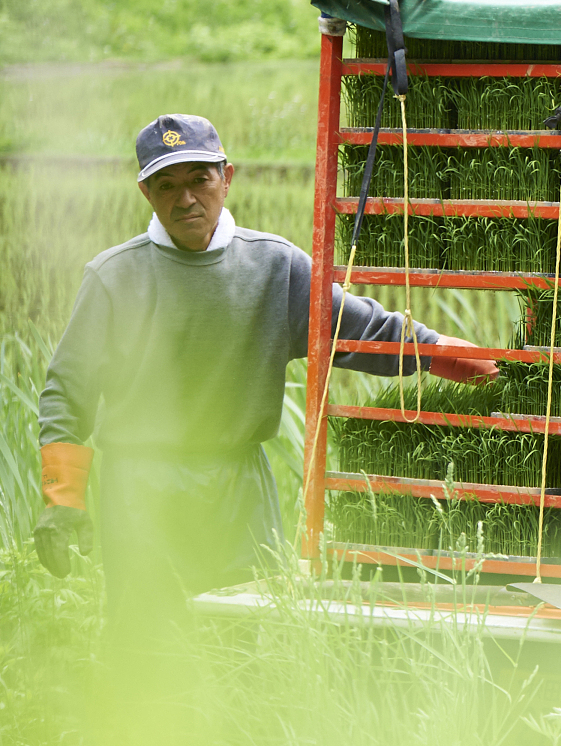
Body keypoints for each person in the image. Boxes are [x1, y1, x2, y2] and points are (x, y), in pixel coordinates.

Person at [35, 113, 499, 623]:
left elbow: (364, 330)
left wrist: (472, 364)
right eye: (166, 185)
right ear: (146, 192)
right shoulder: (113, 277)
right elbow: (67, 391)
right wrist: (62, 499)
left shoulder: (275, 267)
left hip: (238, 488)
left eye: (199, 179)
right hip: (140, 490)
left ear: (226, 178)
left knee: (247, 632)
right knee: (146, 637)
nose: (185, 199)